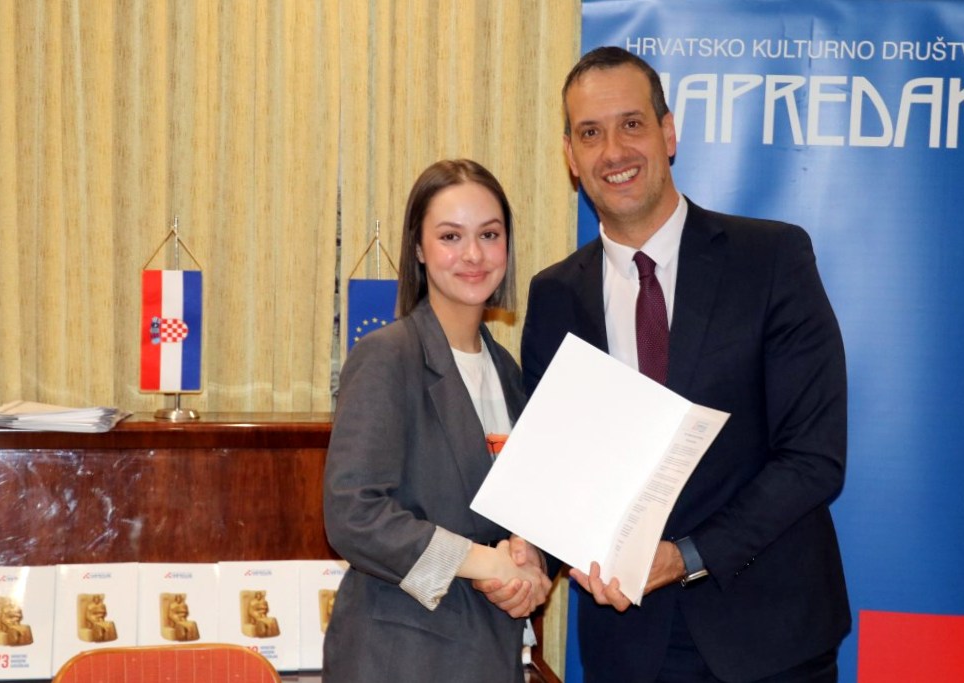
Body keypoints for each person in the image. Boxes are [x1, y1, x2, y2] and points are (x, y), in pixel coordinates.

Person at [520, 47, 850, 682]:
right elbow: (557, 473)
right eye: (590, 133)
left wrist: (686, 555)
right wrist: (529, 554)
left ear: (668, 133)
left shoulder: (772, 259)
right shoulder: (553, 296)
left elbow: (814, 457)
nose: (613, 151)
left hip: (770, 639)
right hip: (628, 645)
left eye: (631, 124)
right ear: (570, 156)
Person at [323, 158, 552, 683]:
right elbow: (352, 515)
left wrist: (529, 563)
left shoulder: (507, 370)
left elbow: (510, 512)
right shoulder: (388, 355)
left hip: (489, 655)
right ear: (419, 249)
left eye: (489, 235)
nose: (473, 254)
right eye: (451, 236)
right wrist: (483, 562)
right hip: (400, 659)